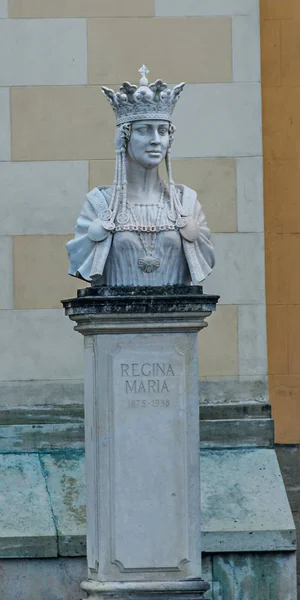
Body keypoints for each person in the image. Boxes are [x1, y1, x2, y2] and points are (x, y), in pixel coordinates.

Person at [66, 66, 215, 286]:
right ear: (125, 137)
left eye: (162, 131)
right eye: (144, 130)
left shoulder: (187, 204)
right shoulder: (99, 205)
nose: (156, 140)